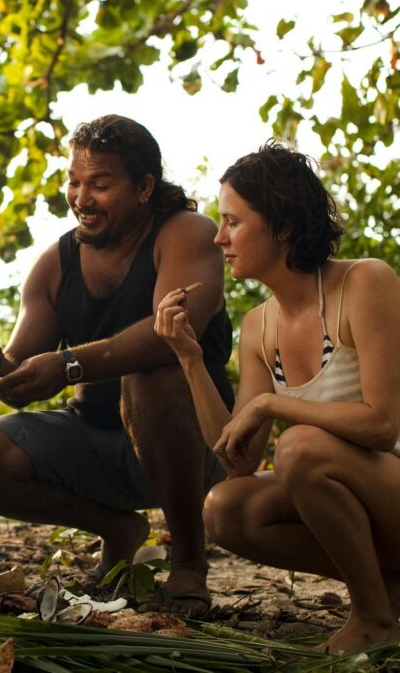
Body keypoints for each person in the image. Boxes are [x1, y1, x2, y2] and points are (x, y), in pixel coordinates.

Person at [0, 114, 234, 618]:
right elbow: (18, 382)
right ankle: (118, 527)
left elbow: (174, 330)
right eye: (74, 183)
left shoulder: (189, 233)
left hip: (199, 449)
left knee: (153, 375)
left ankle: (189, 562)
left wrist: (68, 365)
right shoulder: (54, 264)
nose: (82, 198)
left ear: (144, 187)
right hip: (98, 443)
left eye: (100, 185)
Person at [154, 140, 400, 652]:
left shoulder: (365, 282)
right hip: (372, 506)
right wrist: (190, 359)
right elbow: (236, 459)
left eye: (234, 222)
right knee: (226, 507)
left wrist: (271, 404)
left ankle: (374, 619)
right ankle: (388, 589)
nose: (219, 237)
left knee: (300, 448)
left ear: (284, 226)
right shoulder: (258, 327)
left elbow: (381, 425)